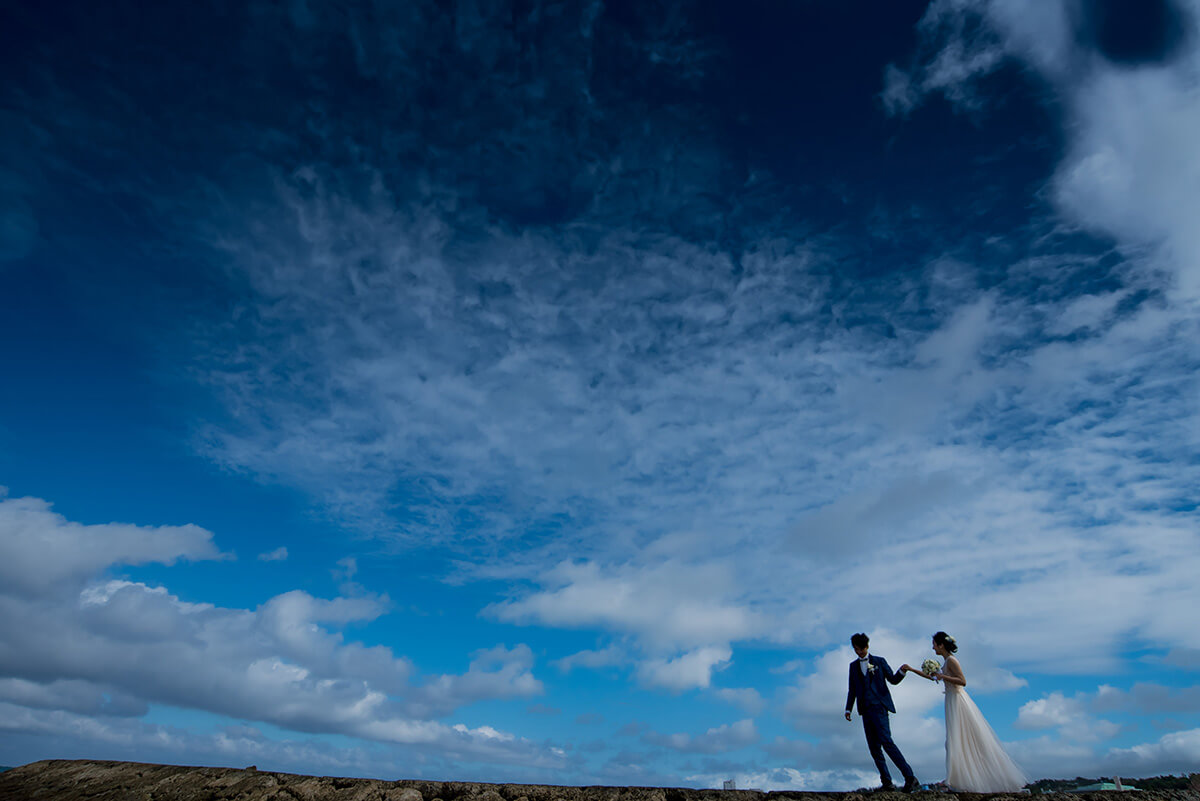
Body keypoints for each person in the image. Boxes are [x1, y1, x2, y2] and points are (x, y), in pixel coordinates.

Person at [901, 632, 1028, 793]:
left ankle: (962, 781)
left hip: (958, 701)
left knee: (961, 739)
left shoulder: (952, 661)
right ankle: (959, 780)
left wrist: (942, 676)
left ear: (941, 645)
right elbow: (932, 678)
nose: (932, 647)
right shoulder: (946, 662)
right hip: (951, 701)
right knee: (954, 740)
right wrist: (912, 670)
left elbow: (963, 681)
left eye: (934, 644)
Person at [845, 632, 919, 792]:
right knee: (873, 747)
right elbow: (852, 689)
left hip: (880, 707)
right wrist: (848, 708)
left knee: (887, 742)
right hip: (865, 710)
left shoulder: (879, 661)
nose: (859, 652)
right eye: (856, 649)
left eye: (861, 649)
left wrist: (902, 671)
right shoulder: (852, 666)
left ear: (867, 646)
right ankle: (887, 782)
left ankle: (910, 777)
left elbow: (893, 680)